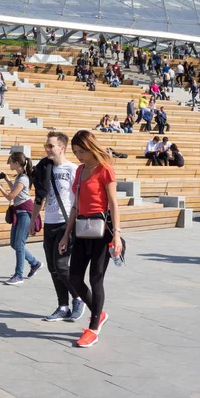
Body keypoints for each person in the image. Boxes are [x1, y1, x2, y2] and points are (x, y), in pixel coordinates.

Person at [57, 130, 123, 348]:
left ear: (90, 147)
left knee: (96, 278)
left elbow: (113, 203)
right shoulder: (80, 171)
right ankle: (98, 311)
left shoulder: (105, 169)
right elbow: (75, 205)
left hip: (102, 231)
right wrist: (66, 234)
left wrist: (117, 234)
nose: (78, 156)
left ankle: (93, 328)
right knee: (75, 277)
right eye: (75, 152)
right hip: (81, 229)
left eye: (81, 151)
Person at [29, 132, 85, 321]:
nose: (47, 149)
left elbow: (79, 199)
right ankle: (63, 306)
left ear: (62, 148)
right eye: (46, 145)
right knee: (53, 267)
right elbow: (39, 197)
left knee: (61, 266)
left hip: (66, 222)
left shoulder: (73, 170)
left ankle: (78, 298)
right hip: (50, 223)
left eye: (51, 146)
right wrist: (33, 220)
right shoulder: (44, 169)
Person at [0, 152, 42, 285]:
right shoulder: (20, 177)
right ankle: (34, 263)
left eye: (10, 161)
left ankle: (18, 275)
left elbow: (11, 196)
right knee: (14, 243)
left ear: (16, 163)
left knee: (19, 244)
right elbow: (16, 190)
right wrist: (7, 180)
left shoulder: (23, 179)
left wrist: (0, 188)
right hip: (19, 212)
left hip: (25, 213)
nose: (9, 164)